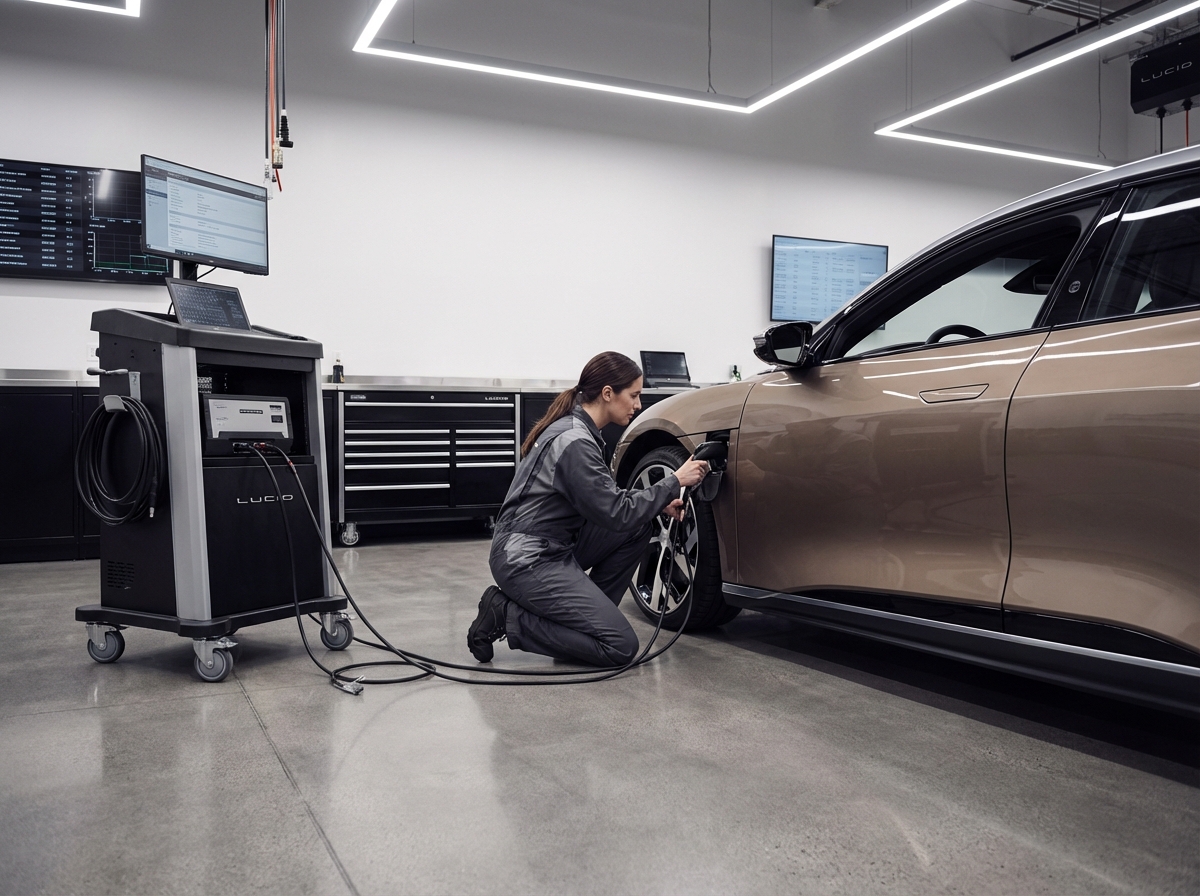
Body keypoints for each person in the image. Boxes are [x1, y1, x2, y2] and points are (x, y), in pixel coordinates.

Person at [467, 351, 710, 666]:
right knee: (620, 646)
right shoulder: (576, 441)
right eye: (634, 395)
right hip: (526, 557)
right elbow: (616, 512)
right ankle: (506, 615)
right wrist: (674, 481)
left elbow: (604, 499)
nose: (638, 404)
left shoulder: (578, 430)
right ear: (608, 393)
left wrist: (657, 502)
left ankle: (582, 629)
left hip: (552, 544)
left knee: (638, 526)